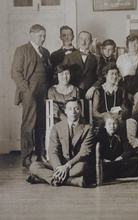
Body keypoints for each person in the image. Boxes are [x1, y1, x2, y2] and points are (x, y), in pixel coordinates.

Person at [26, 98, 95, 187]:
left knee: (82, 168)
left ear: (80, 110)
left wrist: (67, 166)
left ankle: (42, 178)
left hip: (75, 164)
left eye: (76, 108)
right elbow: (53, 150)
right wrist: (58, 167)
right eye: (69, 109)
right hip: (59, 162)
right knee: (34, 166)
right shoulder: (57, 127)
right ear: (65, 111)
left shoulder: (88, 128)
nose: (73, 112)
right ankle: (71, 181)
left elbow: (84, 153)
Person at [11, 24, 52, 169]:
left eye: (44, 35)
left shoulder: (45, 52)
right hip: (30, 91)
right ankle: (26, 158)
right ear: (31, 34)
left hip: (44, 92)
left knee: (42, 124)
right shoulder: (22, 50)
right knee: (29, 124)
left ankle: (40, 155)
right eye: (40, 35)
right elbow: (15, 73)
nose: (43, 38)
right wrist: (26, 90)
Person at [98, 114, 138, 180]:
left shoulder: (120, 136)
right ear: (105, 125)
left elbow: (129, 150)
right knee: (102, 166)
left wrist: (121, 157)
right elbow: (97, 153)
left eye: (115, 124)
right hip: (106, 163)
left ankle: (112, 174)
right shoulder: (100, 137)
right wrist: (103, 159)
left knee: (135, 160)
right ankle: (117, 174)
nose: (112, 126)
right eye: (109, 124)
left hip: (118, 162)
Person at [92, 62, 129, 128]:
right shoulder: (99, 91)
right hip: (103, 120)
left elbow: (125, 109)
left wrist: (120, 115)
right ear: (105, 74)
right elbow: (95, 112)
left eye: (116, 74)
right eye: (112, 74)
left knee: (121, 123)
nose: (114, 76)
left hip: (117, 119)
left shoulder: (121, 90)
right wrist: (104, 116)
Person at [63, 31, 98, 100]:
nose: (83, 42)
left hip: (90, 94)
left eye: (87, 39)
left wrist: (93, 88)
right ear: (78, 41)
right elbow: (63, 74)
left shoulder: (96, 59)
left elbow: (101, 77)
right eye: (81, 39)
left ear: (90, 42)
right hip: (72, 93)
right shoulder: (68, 57)